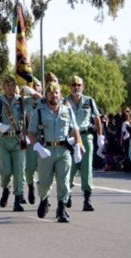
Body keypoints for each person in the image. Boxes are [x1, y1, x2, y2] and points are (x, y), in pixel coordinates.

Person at [27, 81, 82, 223]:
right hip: (47, 150)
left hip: (63, 151)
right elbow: (31, 133)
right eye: (51, 93)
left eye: (56, 92)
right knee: (44, 182)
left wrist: (78, 146)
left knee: (63, 181)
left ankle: (61, 209)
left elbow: (75, 129)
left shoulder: (67, 111)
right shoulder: (39, 112)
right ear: (46, 95)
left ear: (60, 95)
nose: (54, 95)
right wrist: (38, 147)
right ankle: (44, 199)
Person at [65, 75, 103, 211]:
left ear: (83, 86)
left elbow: (97, 118)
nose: (76, 87)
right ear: (70, 87)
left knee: (86, 169)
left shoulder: (89, 101)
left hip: (86, 137)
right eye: (74, 85)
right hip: (70, 139)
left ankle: (87, 200)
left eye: (79, 85)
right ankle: (67, 193)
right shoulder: (65, 102)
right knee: (69, 167)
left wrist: (100, 136)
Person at [0, 75, 27, 212]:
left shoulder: (21, 101)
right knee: (5, 172)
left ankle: (17, 200)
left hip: (18, 140)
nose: (11, 87)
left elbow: (29, 115)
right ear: (4, 87)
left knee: (19, 171)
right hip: (4, 140)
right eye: (8, 85)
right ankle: (5, 188)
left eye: (13, 85)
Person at [23, 78, 42, 204]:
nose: (36, 87)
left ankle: (43, 196)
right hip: (31, 137)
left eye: (39, 85)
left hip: (45, 138)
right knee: (30, 169)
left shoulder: (46, 101)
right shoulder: (25, 101)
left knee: (43, 170)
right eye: (34, 86)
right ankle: (30, 187)